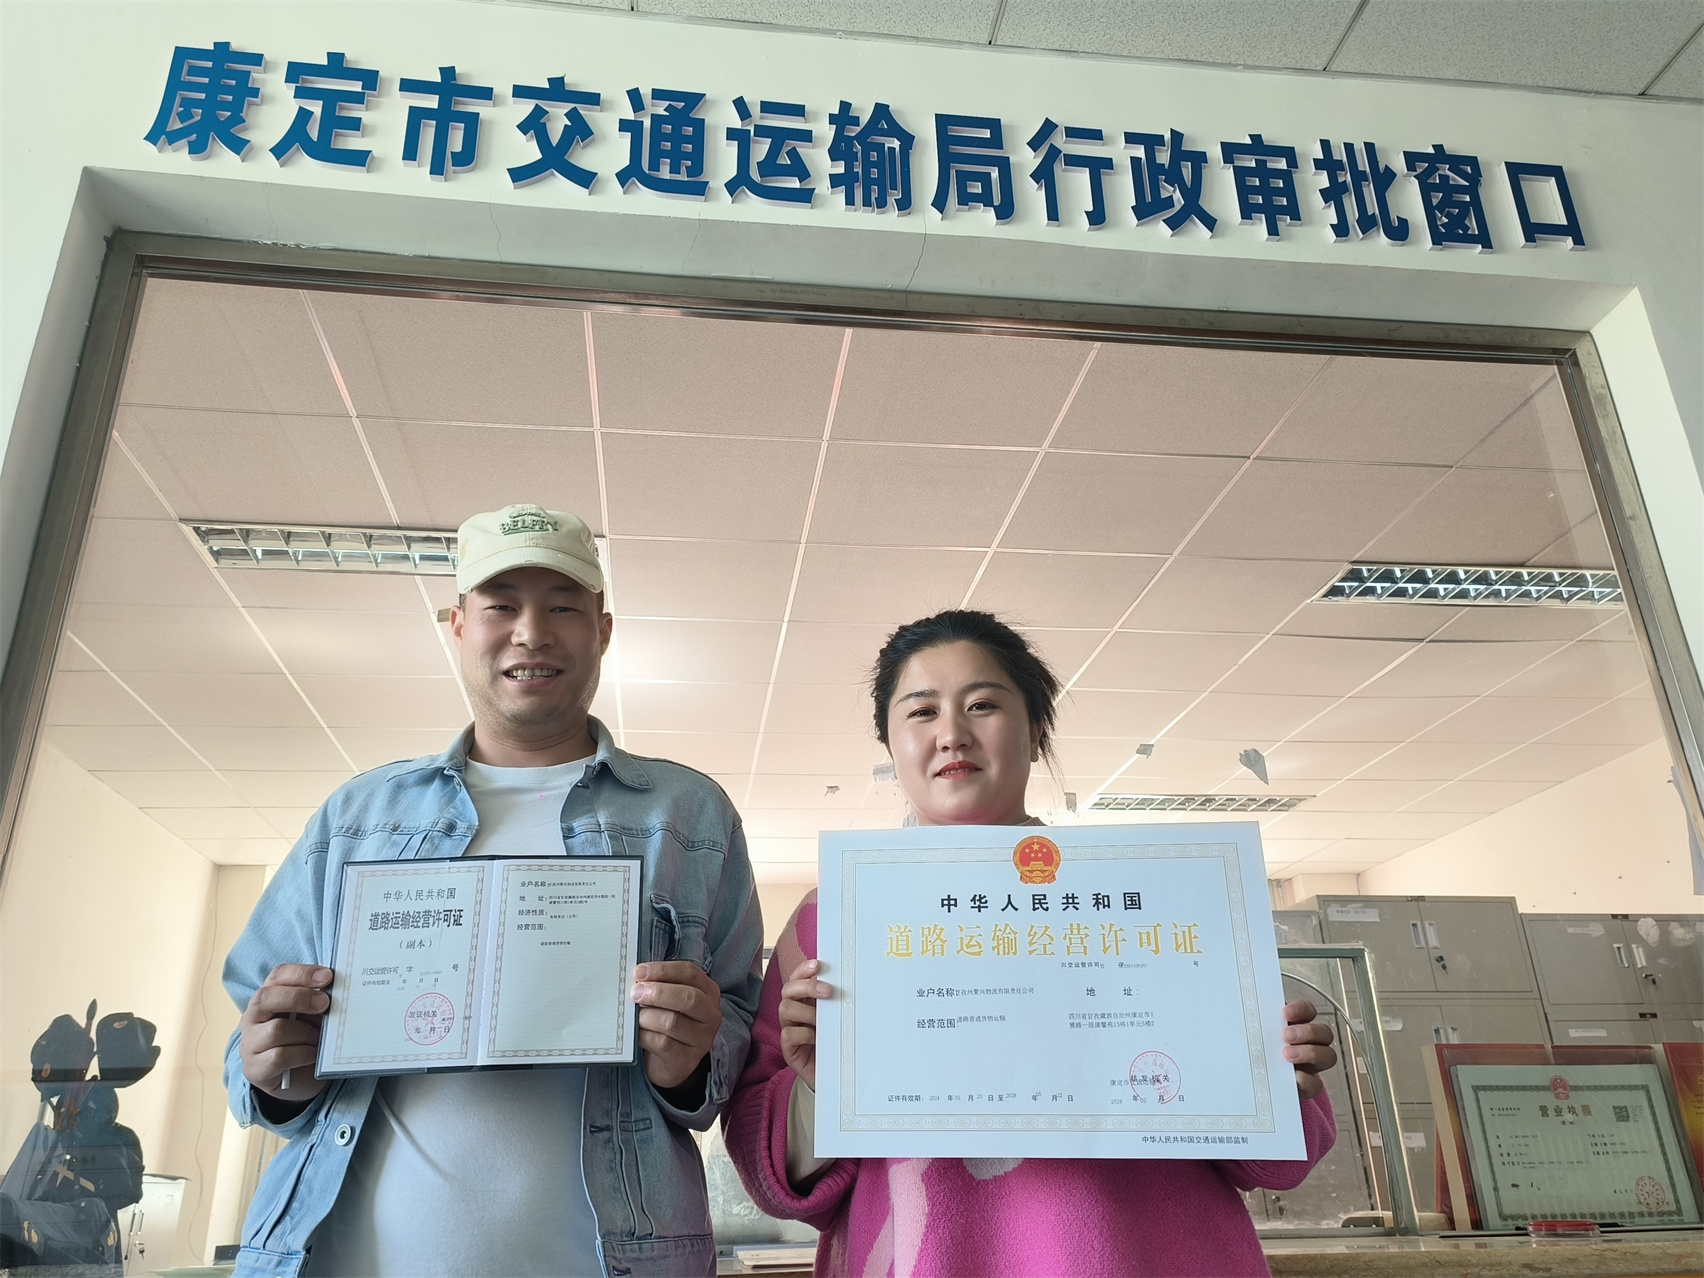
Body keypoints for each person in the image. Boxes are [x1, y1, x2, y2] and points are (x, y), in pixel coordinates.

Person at [222, 504, 763, 1278]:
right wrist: (274, 1069)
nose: (531, 632)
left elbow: (740, 1026)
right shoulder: (358, 817)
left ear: (603, 631)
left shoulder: (688, 816)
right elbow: (252, 1033)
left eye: (563, 607)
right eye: (501, 605)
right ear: (458, 626)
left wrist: (695, 1058)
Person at [722, 610, 1338, 1278]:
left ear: (1037, 730)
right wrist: (823, 1088)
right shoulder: (833, 921)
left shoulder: (1159, 894)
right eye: (921, 712)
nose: (951, 734)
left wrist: (1278, 1075)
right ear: (890, 743)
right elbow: (772, 1177)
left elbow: (1276, 1162)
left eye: (982, 705)